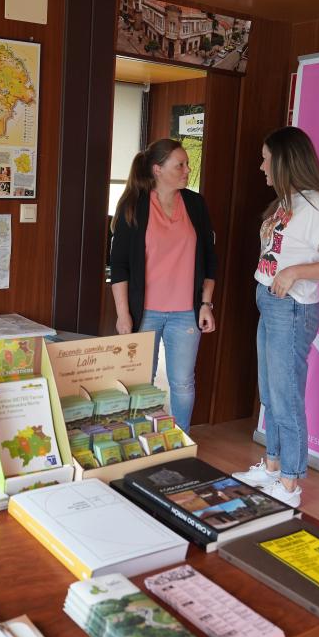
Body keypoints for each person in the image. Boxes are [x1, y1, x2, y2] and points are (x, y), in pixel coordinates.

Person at [232, 126, 319, 508]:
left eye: (266, 158)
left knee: (286, 397)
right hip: (269, 301)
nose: (261, 166)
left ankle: (289, 485)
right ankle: (272, 466)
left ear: (285, 161)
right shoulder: (286, 203)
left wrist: (295, 272)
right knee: (270, 392)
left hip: (292, 308)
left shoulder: (318, 205)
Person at [109, 138, 217, 431]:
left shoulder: (195, 204)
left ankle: (179, 441)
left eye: (186, 164)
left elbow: (209, 258)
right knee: (139, 382)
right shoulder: (135, 206)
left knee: (182, 382)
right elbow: (118, 266)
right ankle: (140, 439)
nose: (187, 170)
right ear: (157, 169)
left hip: (186, 311)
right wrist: (122, 314)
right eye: (179, 165)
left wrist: (206, 304)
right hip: (145, 312)